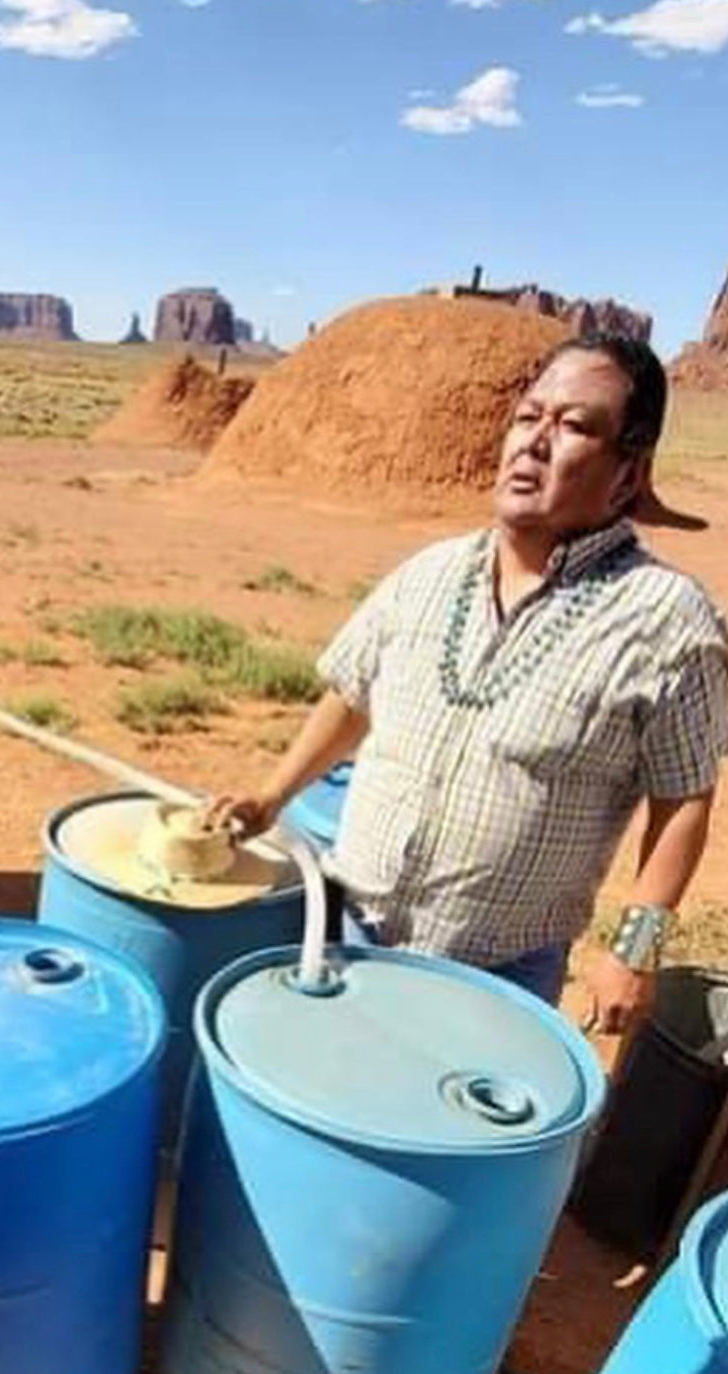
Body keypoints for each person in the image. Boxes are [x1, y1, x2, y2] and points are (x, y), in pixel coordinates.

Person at [211, 334, 728, 1031]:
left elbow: (683, 800)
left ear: (627, 475)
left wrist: (633, 951)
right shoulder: (429, 572)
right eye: (527, 416)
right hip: (342, 933)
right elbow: (352, 694)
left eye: (574, 426)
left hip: (497, 975)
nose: (535, 442)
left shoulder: (667, 619)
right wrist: (272, 794)